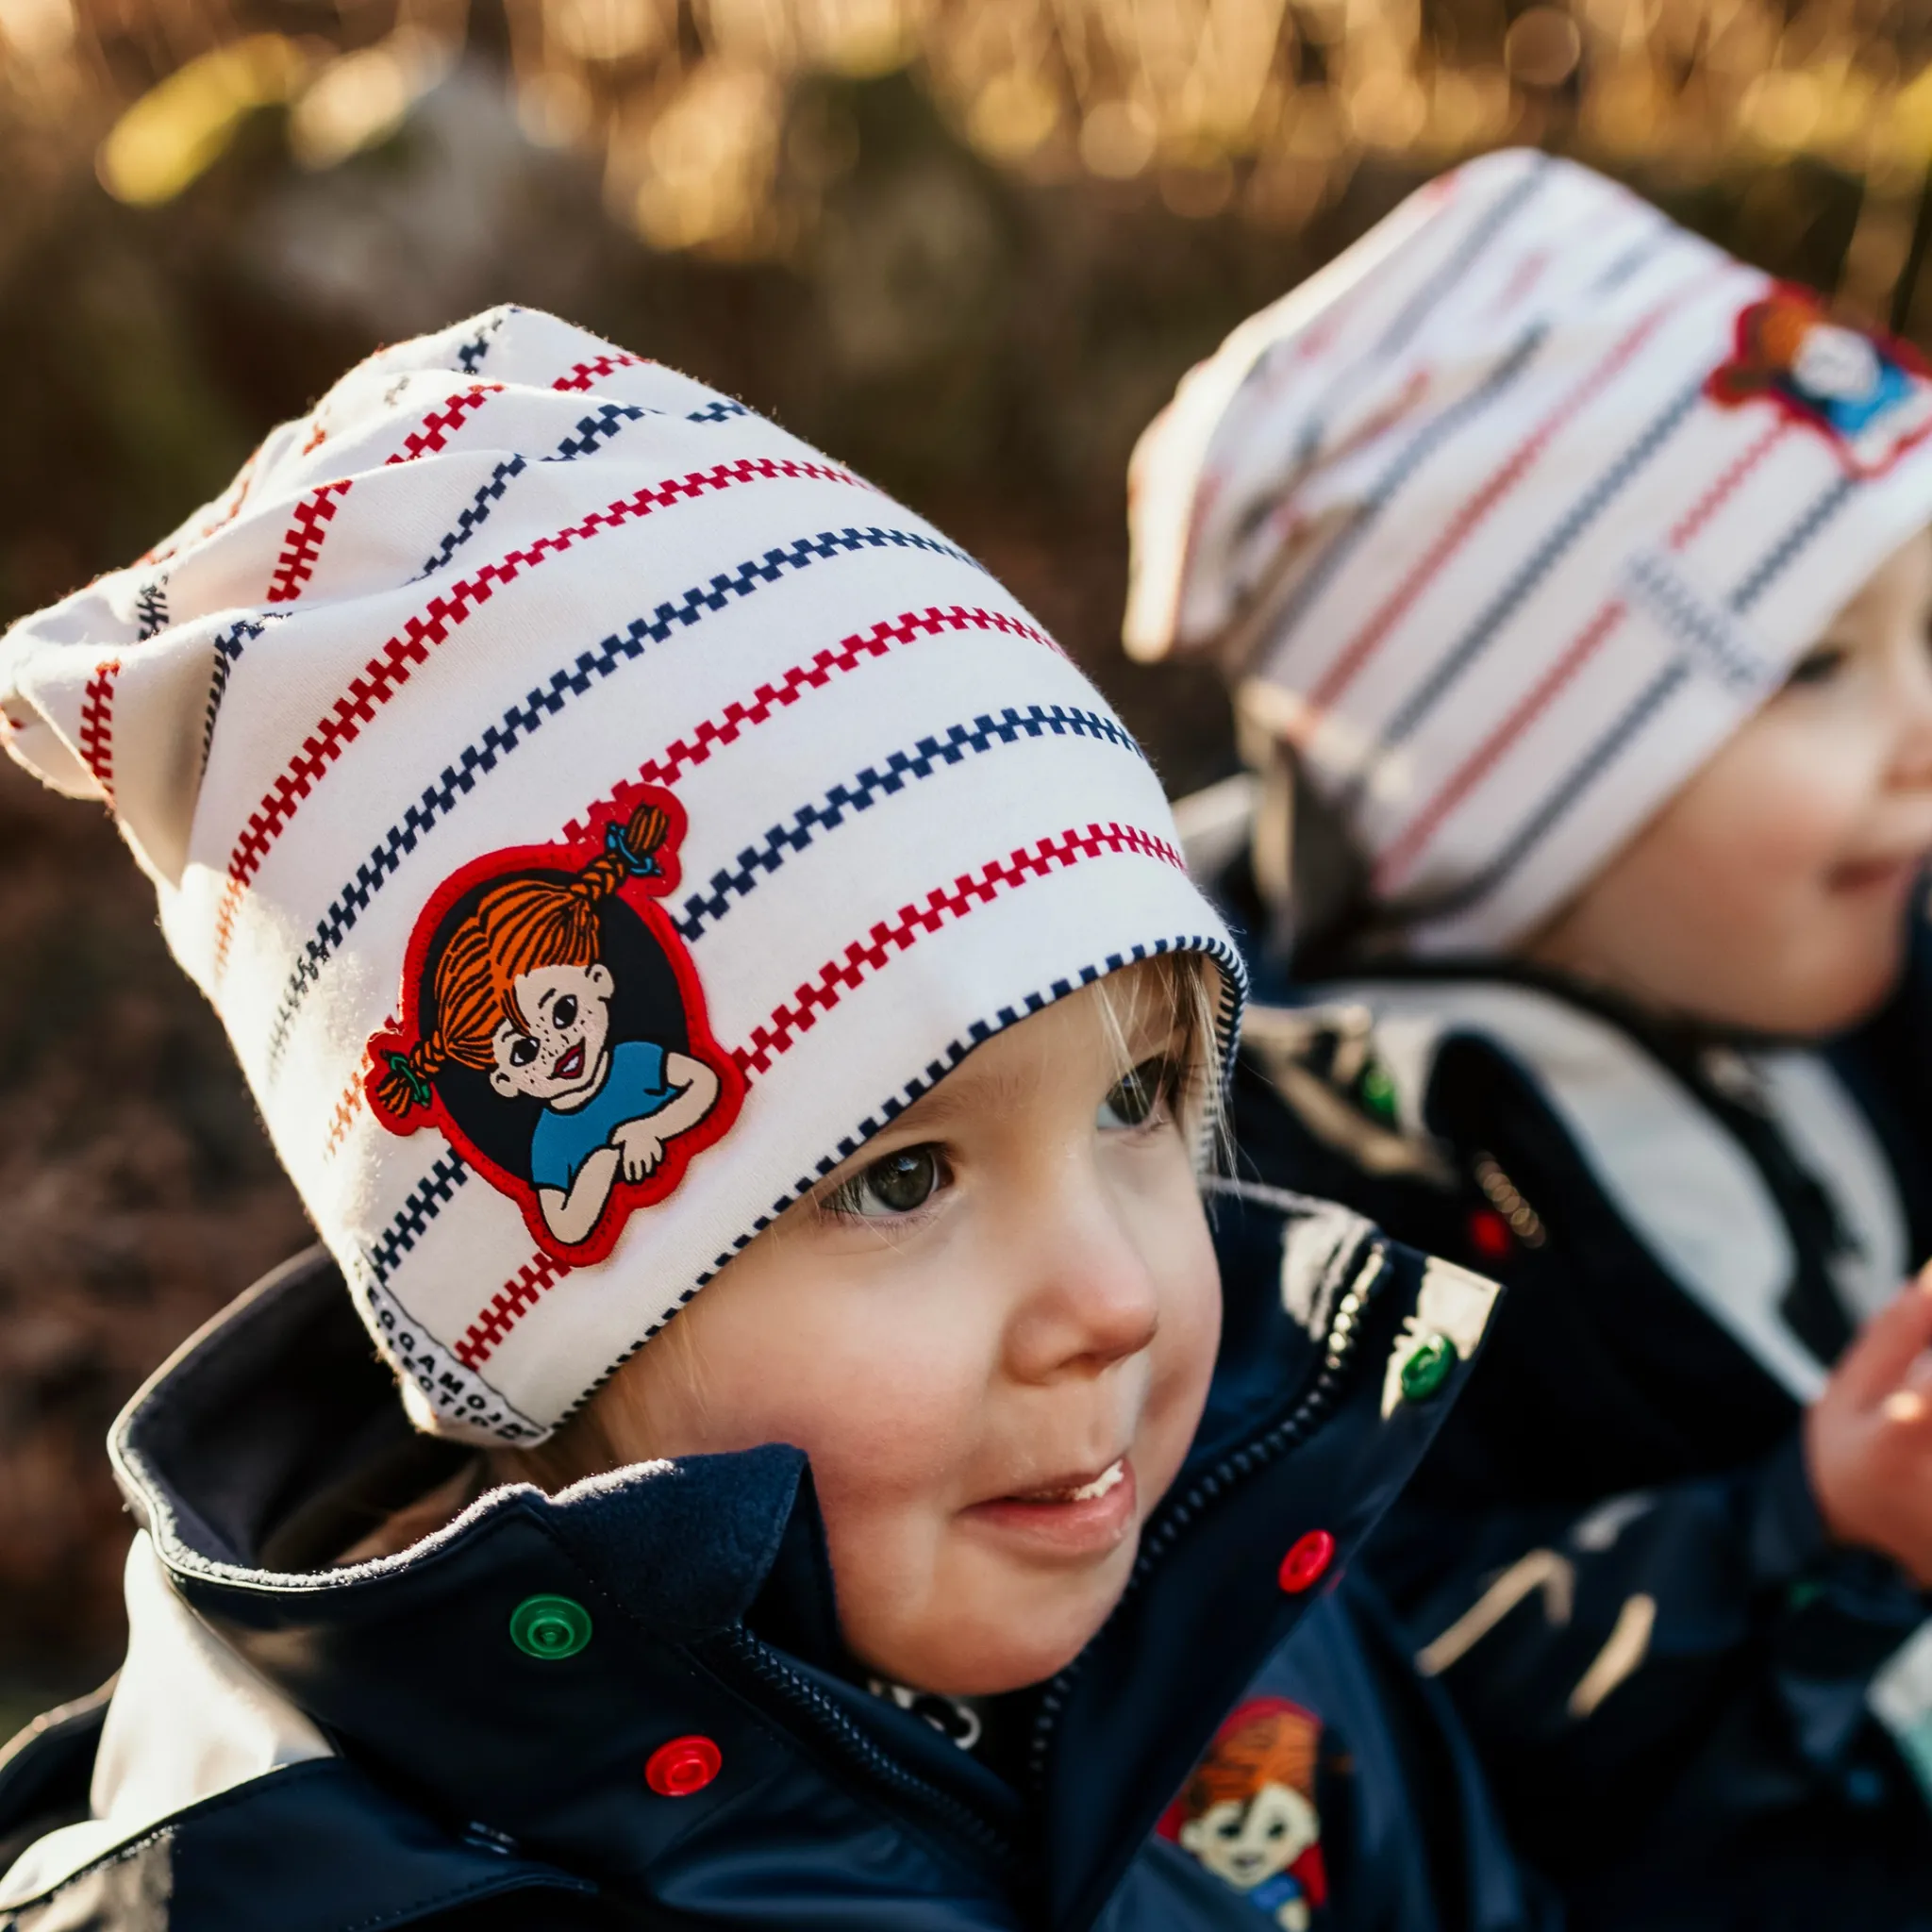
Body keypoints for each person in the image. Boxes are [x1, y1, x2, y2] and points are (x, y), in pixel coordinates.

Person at [0, 308, 1557, 1930]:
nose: (1121, 1300)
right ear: (550, 1306)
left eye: (1139, 1098)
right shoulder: (343, 1896)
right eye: (899, 1178)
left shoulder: (1238, 1597)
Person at [1124, 147, 1932, 1926]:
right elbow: (1400, 1689)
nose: (1924, 736)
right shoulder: (1287, 1204)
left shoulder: (1832, 964)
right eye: (1811, 669)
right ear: (1508, 796)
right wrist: (1810, 1534)